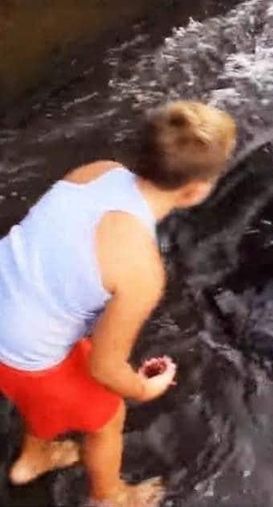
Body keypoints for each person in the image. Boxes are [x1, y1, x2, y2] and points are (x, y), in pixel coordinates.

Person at [0, 100, 237, 506]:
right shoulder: (141, 271)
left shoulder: (98, 171)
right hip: (23, 354)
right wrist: (143, 388)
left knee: (58, 381)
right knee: (106, 416)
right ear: (196, 191)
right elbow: (105, 367)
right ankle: (110, 496)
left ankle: (33, 459)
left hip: (10, 301)